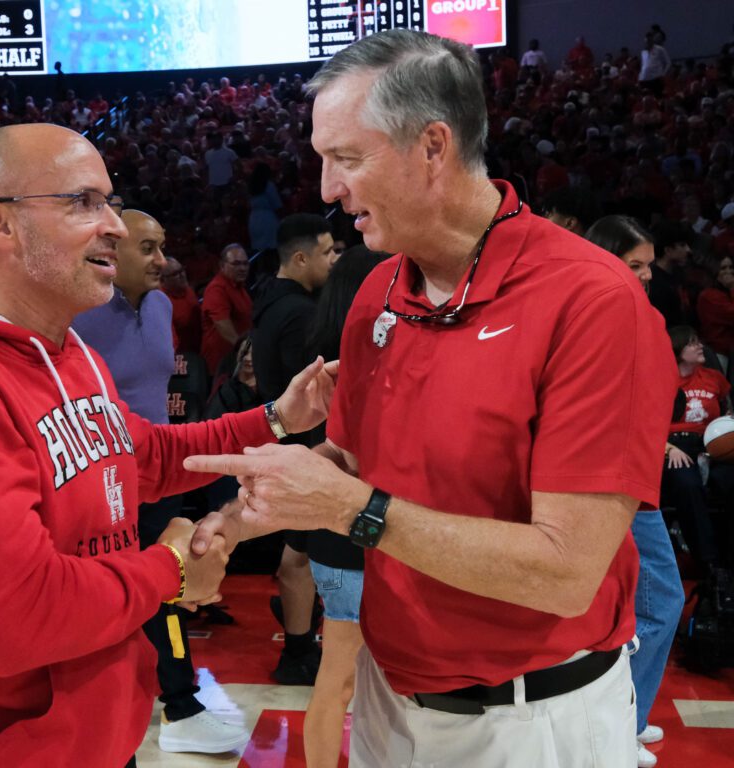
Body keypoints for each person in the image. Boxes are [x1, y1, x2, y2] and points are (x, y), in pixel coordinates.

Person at [186, 30, 674, 768]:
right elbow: (348, 457)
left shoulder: (591, 301)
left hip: (530, 722)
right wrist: (232, 519)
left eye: (345, 158)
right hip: (389, 697)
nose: (325, 189)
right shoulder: (378, 289)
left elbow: (567, 572)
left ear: (432, 147)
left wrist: (353, 511)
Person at [0, 123, 335, 768]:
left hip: (97, 738)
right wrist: (171, 571)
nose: (112, 222)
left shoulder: (71, 350)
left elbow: (144, 460)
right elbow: (13, 620)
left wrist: (279, 417)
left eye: (109, 200)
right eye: (83, 202)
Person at [73, 209, 248, 755]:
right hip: (101, 481)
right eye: (147, 248)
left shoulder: (159, 307)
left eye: (162, 246)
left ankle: (177, 704)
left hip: (155, 469)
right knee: (137, 590)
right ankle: (175, 703)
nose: (162, 260)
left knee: (167, 586)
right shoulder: (77, 314)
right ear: (112, 251)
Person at [586, 214, 684, 768]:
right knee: (658, 601)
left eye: (648, 266)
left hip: (633, 482)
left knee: (633, 606)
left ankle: (626, 716)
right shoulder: (606, 316)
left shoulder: (635, 313)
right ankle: (625, 719)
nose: (645, 276)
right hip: (618, 487)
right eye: (635, 265)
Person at [301, 245, 388, 768]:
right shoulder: (357, 358)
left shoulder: (317, 339)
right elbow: (351, 456)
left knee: (347, 681)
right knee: (340, 681)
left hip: (339, 529)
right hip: (351, 527)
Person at [252, 213, 336, 685]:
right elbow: (311, 399)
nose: (333, 260)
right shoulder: (301, 313)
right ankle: (299, 647)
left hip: (282, 441)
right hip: (301, 446)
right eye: (327, 252)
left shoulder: (269, 303)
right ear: (300, 258)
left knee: (295, 554)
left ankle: (299, 641)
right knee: (298, 556)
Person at [662, 325, 734, 571]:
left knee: (727, 480)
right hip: (674, 445)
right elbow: (645, 425)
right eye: (693, 343)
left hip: (711, 443)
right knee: (687, 483)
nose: (700, 346)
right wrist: (669, 449)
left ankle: (728, 556)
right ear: (679, 350)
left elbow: (727, 411)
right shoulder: (663, 380)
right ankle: (709, 562)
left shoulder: (714, 379)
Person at [200, 243, 251, 375]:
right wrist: (245, 349)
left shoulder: (239, 286)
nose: (242, 268)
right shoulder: (217, 289)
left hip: (236, 358)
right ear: (222, 265)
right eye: (236, 264)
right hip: (222, 363)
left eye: (245, 263)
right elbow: (222, 325)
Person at [161, 257, 200, 353]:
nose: (182, 275)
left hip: (197, 348)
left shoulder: (188, 290)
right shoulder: (160, 301)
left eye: (182, 270)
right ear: (162, 280)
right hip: (179, 355)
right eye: (175, 274)